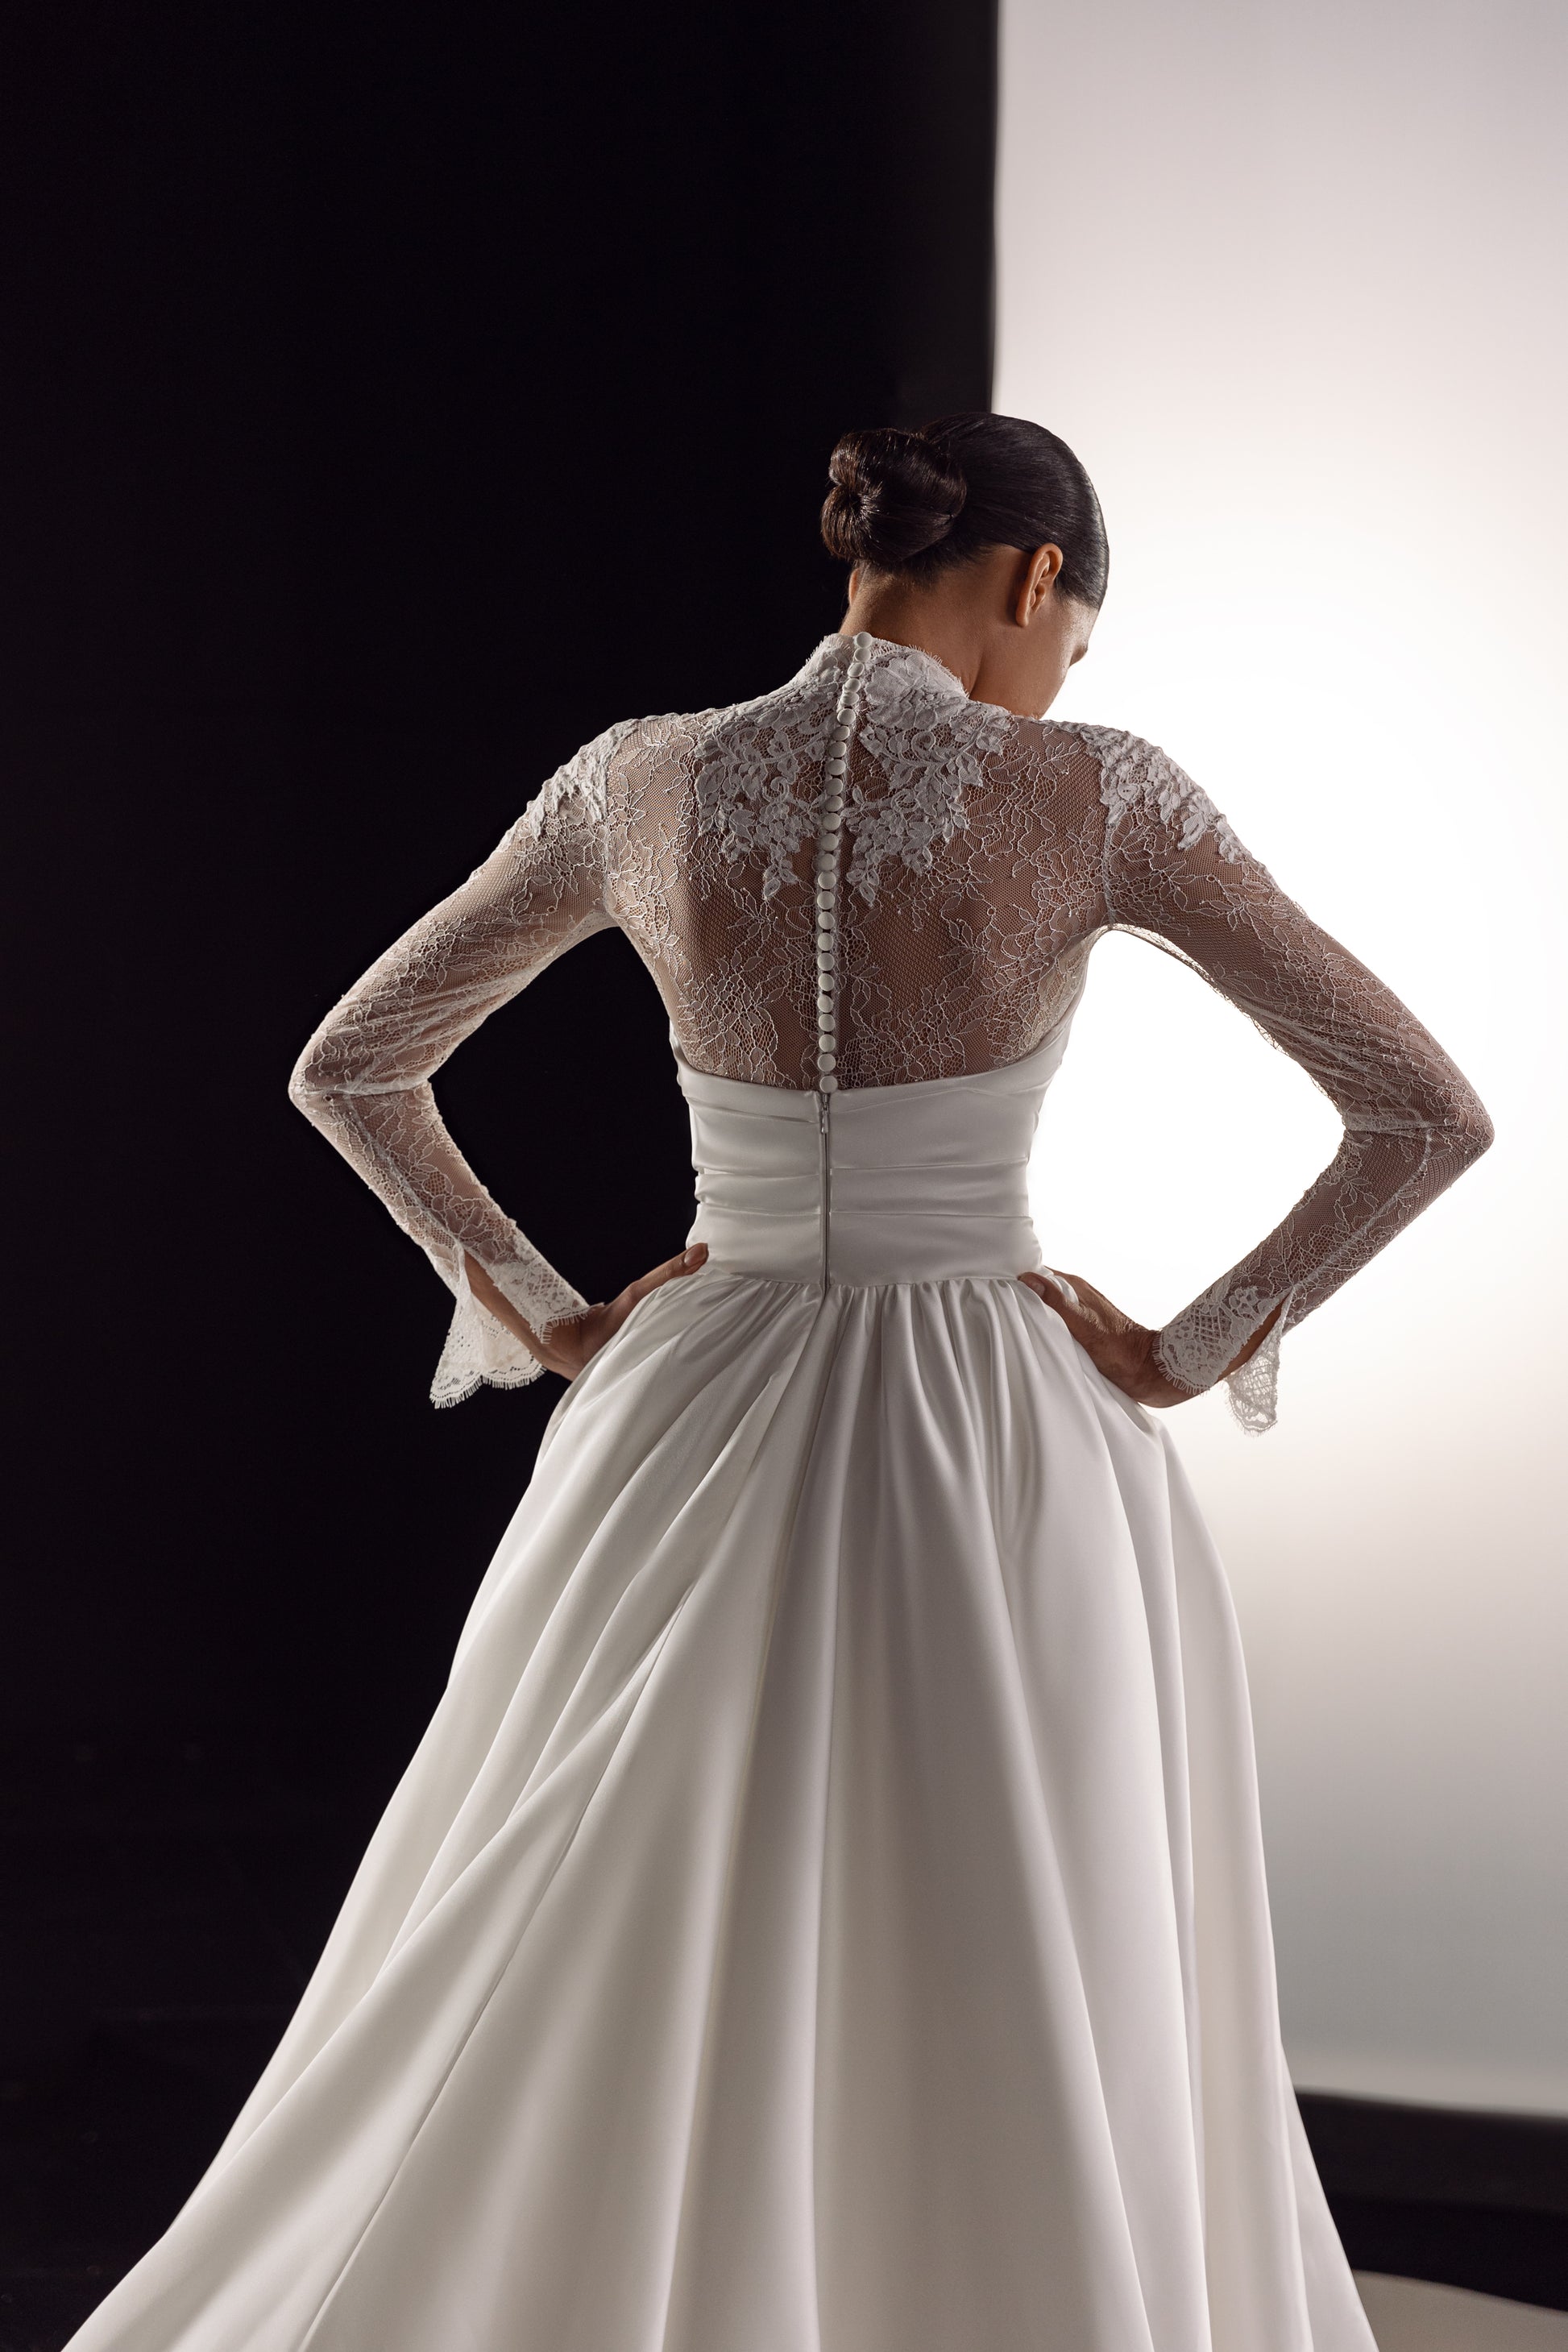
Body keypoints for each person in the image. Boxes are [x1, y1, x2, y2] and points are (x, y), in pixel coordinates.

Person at [69, 413, 1491, 2351]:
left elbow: (356, 1061)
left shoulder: (639, 777)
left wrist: (552, 1314)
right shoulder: (1097, 790)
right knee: (1003, 1905)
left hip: (690, 1403)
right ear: (1035, 579)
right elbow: (1422, 1109)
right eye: (1076, 635)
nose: (1063, 673)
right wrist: (1184, 1346)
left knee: (630, 1888)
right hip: (992, 1423)